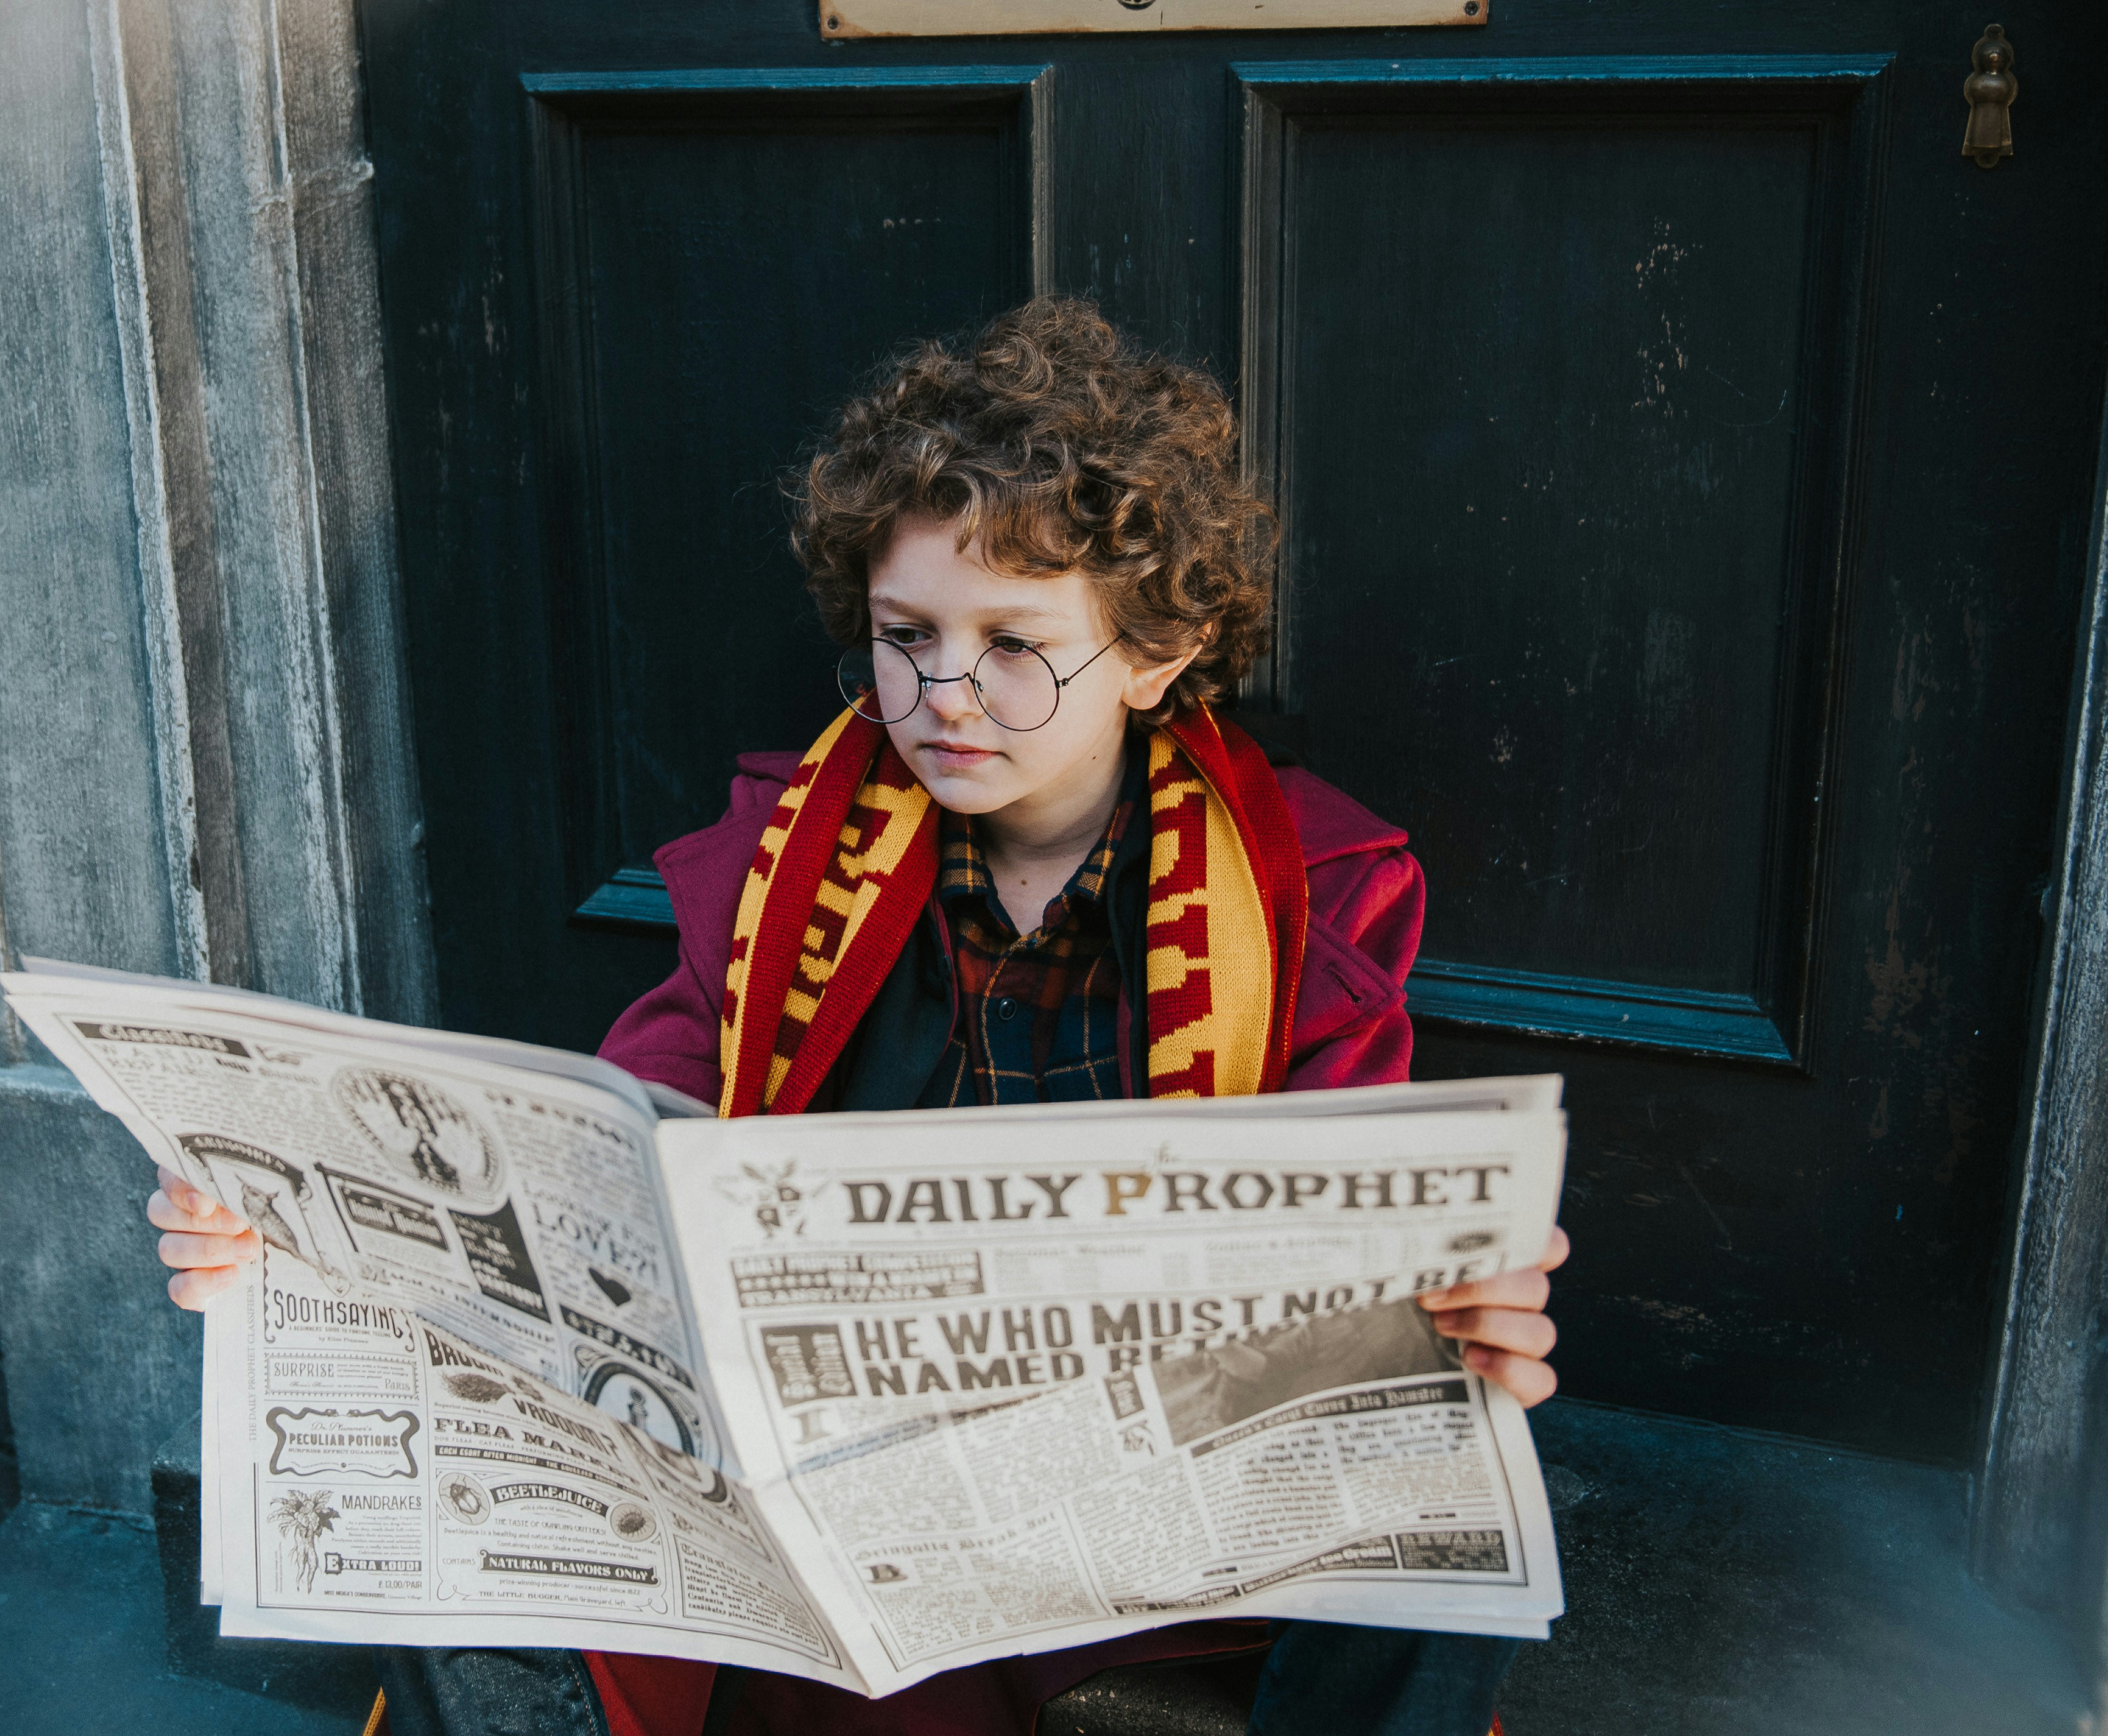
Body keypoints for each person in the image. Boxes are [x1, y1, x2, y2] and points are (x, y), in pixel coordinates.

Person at [148, 299, 1571, 1736]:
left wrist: (1458, 1305)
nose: (945, 697)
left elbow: (1351, 1240)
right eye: (907, 639)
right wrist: (294, 1257)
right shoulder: (789, 857)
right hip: (862, 1471)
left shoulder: (1310, 891)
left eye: (1017, 646)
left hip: (1169, 1478)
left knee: (1454, 1440)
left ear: (1157, 652)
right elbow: (599, 1169)